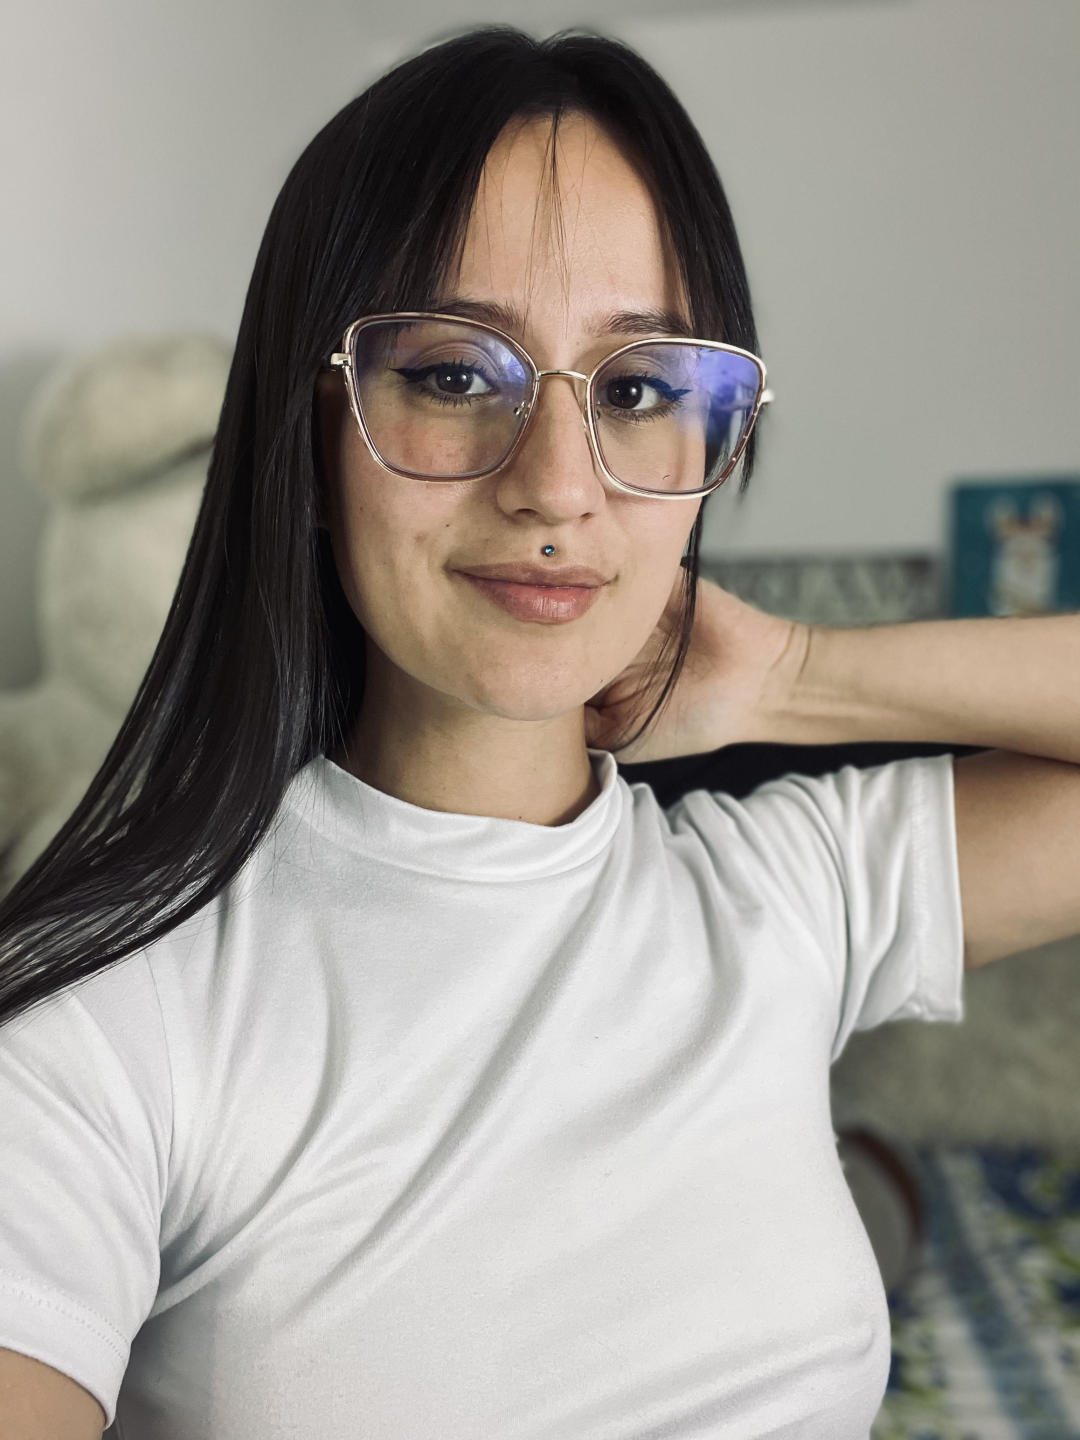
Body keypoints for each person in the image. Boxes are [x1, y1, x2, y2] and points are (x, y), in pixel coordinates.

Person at [3, 22, 1079, 1440]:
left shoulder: (783, 895)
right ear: (312, 425)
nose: (558, 485)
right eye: (456, 373)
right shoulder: (107, 1012)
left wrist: (793, 675)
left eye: (637, 389)